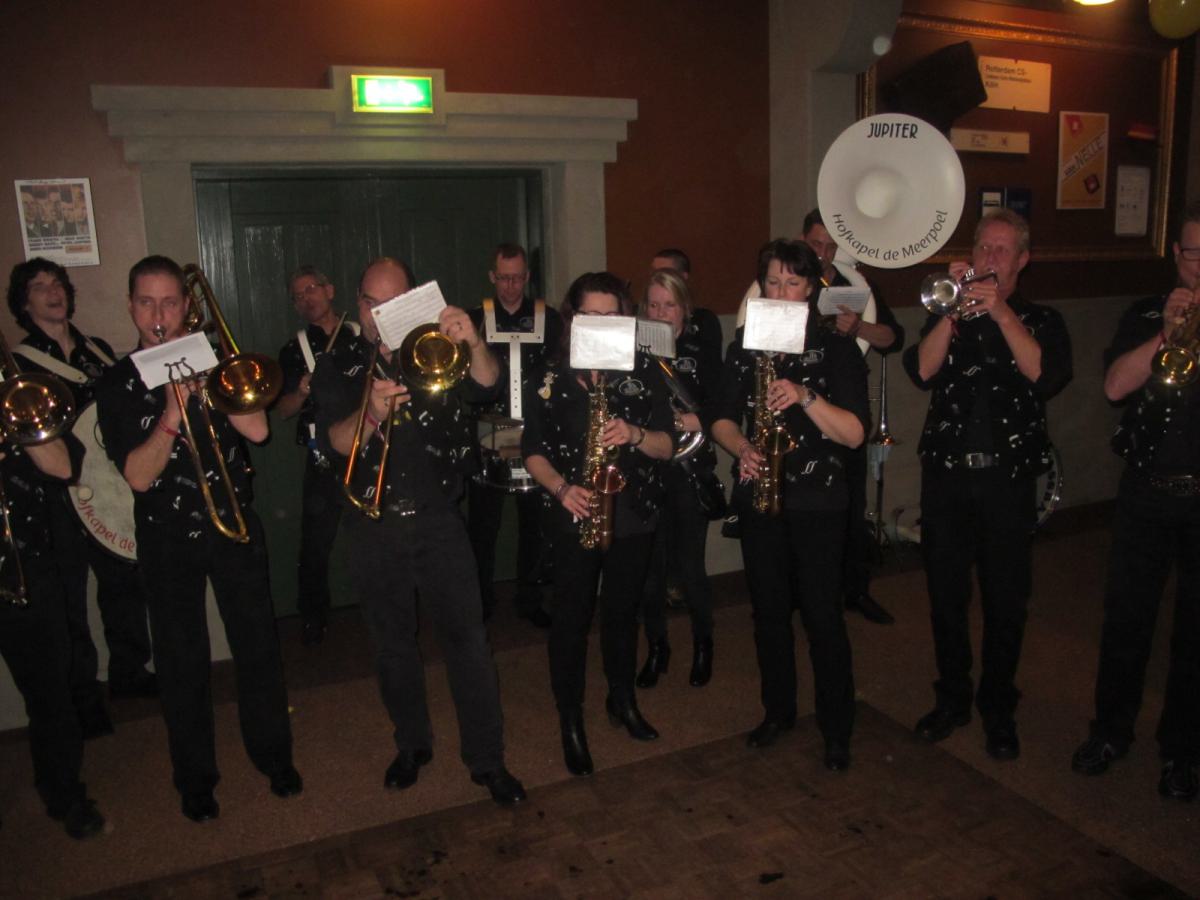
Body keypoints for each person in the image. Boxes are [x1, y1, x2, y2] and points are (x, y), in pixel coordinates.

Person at [311, 256, 525, 807]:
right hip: (373, 524)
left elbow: (487, 387)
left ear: (415, 300)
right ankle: (412, 746)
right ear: (359, 305)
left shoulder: (436, 346)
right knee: (392, 648)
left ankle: (487, 760)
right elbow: (335, 444)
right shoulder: (339, 363)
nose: (380, 313)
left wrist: (474, 342)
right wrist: (371, 412)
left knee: (469, 644)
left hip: (438, 520)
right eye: (371, 302)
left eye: (394, 301)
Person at [95, 255, 300, 823]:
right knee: (181, 661)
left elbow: (258, 429)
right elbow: (138, 477)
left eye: (169, 302)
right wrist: (171, 413)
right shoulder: (116, 382)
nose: (159, 315)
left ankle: (274, 758)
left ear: (187, 305)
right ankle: (195, 779)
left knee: (257, 647)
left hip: (232, 524)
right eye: (146, 303)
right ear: (131, 307)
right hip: (166, 537)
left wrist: (211, 378)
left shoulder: (215, 360)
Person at [901, 208, 1072, 761]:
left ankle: (998, 707)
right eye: (983, 248)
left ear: (1022, 260)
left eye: (1001, 250)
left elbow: (1045, 375)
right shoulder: (950, 310)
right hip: (947, 475)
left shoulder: (1040, 319)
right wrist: (950, 313)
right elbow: (921, 371)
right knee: (945, 596)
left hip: (1007, 479)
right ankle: (952, 697)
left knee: (1005, 601)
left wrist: (1000, 312)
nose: (989, 258)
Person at [707, 239, 868, 772]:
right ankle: (778, 711)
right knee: (769, 614)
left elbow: (854, 434)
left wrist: (804, 396)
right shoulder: (743, 348)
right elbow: (720, 418)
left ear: (810, 290)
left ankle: (836, 727)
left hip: (820, 500)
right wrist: (742, 448)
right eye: (772, 282)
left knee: (822, 616)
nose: (780, 293)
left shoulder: (837, 348)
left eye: (792, 283)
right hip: (762, 496)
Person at [1070, 202, 1200, 801]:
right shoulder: (1145, 312)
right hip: (1146, 491)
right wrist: (1166, 333)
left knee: (1194, 634)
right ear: (1176, 254)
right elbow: (1115, 386)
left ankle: (1183, 751)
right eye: (1193, 252)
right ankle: (1110, 732)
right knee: (1126, 621)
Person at [522, 272, 675, 777]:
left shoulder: (644, 371)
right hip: (575, 510)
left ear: (626, 320)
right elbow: (533, 450)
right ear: (573, 318)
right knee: (570, 620)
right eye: (591, 314)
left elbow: (668, 446)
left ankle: (621, 699)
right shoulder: (548, 375)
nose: (601, 322)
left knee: (622, 613)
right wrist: (561, 489)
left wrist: (635, 434)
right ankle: (570, 718)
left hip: (632, 512)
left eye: (612, 315)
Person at [7, 258, 157, 740]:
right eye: (40, 286)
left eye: (58, 283)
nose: (53, 292)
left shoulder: (97, 351)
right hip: (56, 495)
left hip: (105, 486)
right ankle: (83, 696)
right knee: (69, 599)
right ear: (24, 303)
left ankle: (129, 671)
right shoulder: (22, 362)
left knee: (123, 581)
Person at [0, 430, 106, 839]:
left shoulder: (19, 402)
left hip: (28, 569)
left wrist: (17, 420)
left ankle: (64, 795)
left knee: (50, 695)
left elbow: (63, 467)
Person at [802, 210, 905, 625]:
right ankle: (805, 594)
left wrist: (858, 327)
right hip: (801, 408)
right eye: (816, 244)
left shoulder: (855, 284)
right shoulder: (791, 281)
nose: (823, 253)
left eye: (831, 246)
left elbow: (893, 339)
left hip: (845, 405)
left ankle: (855, 590)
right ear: (803, 241)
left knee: (852, 503)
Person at [467, 244, 562, 627]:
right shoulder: (475, 319)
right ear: (492, 276)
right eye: (504, 278)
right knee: (483, 524)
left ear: (527, 277)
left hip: (535, 429)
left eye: (518, 278)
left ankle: (529, 599)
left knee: (534, 522)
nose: (510, 286)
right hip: (489, 430)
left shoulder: (549, 319)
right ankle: (480, 601)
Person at [636, 268, 722, 689]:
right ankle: (657, 647)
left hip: (688, 469)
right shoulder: (635, 351)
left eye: (669, 304)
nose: (660, 312)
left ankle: (704, 643)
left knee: (691, 568)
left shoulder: (701, 349)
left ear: (685, 307)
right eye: (653, 305)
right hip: (648, 470)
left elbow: (726, 405)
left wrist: (696, 419)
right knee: (650, 573)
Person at [275, 264, 359, 646]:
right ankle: (313, 617)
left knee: (377, 534)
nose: (306, 298)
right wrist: (302, 391)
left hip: (366, 448)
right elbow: (283, 410)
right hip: (322, 458)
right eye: (298, 295)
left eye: (311, 288)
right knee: (314, 544)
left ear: (330, 289)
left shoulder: (360, 334)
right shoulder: (293, 350)